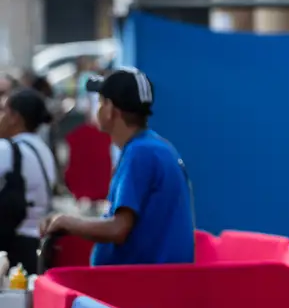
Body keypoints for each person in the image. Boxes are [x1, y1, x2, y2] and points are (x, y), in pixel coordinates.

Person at [40, 69, 195, 266]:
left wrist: (67, 222)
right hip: (151, 282)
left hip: (143, 287)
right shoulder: (153, 147)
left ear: (111, 110)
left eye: (101, 101)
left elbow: (118, 229)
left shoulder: (140, 153)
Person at [0, 88, 58, 273]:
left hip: (13, 247)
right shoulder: (43, 149)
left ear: (15, 117)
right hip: (38, 244)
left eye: (3, 110)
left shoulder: (7, 149)